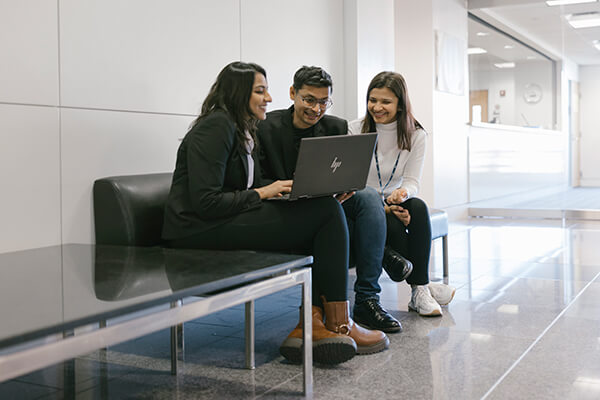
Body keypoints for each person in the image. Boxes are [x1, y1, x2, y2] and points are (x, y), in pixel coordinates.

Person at [161, 61, 387, 365]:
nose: (268, 98)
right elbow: (206, 203)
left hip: (221, 220)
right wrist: (263, 193)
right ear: (238, 93)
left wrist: (287, 192)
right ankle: (334, 323)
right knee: (325, 214)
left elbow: (246, 186)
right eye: (260, 91)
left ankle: (317, 323)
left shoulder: (241, 128)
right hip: (195, 229)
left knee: (323, 209)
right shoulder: (216, 126)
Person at [257, 66, 412, 336]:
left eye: (323, 102)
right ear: (293, 93)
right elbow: (257, 180)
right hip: (285, 205)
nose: (316, 109)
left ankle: (367, 299)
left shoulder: (336, 126)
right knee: (336, 212)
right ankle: (385, 256)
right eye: (309, 100)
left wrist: (345, 188)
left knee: (367, 197)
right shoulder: (266, 126)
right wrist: (280, 188)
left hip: (327, 200)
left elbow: (343, 172)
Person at [349, 71, 456, 316]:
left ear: (400, 104)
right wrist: (383, 206)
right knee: (393, 223)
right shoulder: (354, 129)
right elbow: (351, 183)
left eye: (385, 102)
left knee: (417, 206)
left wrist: (402, 195)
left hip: (394, 200)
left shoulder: (416, 134)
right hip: (363, 204)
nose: (377, 107)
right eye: (372, 100)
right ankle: (422, 286)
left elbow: (412, 182)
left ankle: (419, 289)